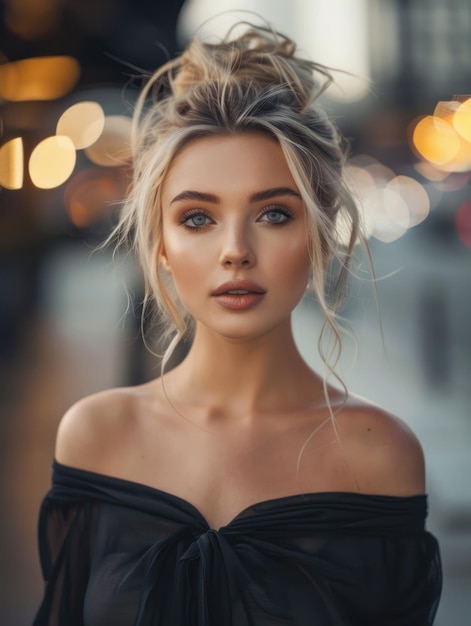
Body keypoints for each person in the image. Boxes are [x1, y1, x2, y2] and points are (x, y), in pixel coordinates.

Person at [33, 20, 442, 626]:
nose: (235, 250)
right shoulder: (96, 436)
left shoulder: (379, 454)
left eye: (274, 213)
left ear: (320, 237)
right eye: (197, 218)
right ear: (162, 246)